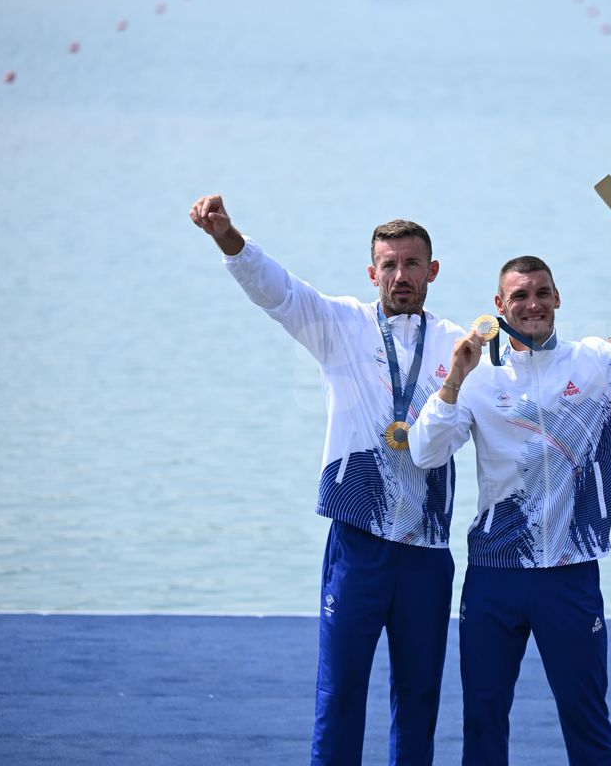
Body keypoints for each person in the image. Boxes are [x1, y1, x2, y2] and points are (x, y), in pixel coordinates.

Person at [409, 251, 611, 765]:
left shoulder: (596, 362)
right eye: (520, 296)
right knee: (483, 718)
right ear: (499, 307)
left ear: (557, 297)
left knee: (585, 716)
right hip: (495, 574)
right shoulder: (477, 379)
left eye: (541, 293)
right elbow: (425, 453)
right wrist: (453, 381)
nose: (533, 304)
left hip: (571, 574)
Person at [189, 195, 465, 766]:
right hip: (358, 542)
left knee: (419, 699)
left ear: (432, 271)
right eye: (388, 265)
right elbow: (280, 291)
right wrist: (227, 238)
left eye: (411, 264)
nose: (400, 276)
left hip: (426, 549)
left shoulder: (459, 346)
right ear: (372, 272)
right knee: (339, 693)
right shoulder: (339, 324)